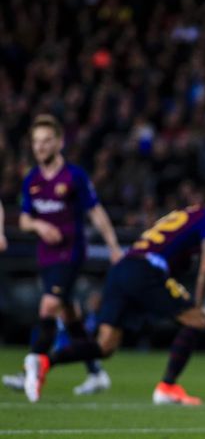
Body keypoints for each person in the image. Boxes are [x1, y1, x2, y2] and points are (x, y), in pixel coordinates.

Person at [21, 187, 205, 403]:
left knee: (105, 346)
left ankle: (44, 361)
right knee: (198, 318)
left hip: (125, 266)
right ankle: (167, 387)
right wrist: (199, 303)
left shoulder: (188, 212)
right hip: (145, 269)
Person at [5, 114, 122, 398]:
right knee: (70, 315)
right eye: (36, 142)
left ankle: (31, 369)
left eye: (46, 141)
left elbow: (96, 211)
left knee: (48, 308)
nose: (41, 147)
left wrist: (113, 245)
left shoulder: (74, 176)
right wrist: (39, 225)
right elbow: (23, 220)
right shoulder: (31, 179)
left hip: (70, 253)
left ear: (59, 142)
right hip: (46, 256)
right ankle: (96, 374)